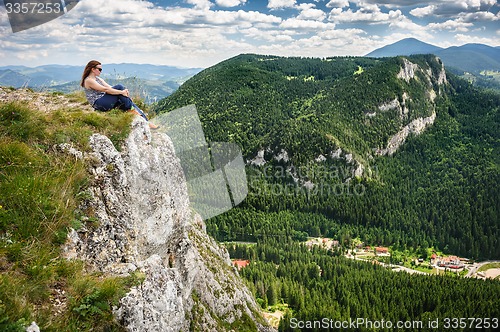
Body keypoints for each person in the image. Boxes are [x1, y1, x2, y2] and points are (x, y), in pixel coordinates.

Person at [81, 60, 158, 129]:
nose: (101, 71)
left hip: (105, 100)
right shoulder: (89, 80)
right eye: (99, 69)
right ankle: (131, 109)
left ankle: (147, 122)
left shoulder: (98, 79)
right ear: (93, 69)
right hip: (98, 103)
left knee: (125, 98)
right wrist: (122, 92)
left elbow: (110, 87)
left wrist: (124, 92)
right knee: (120, 87)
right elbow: (106, 89)